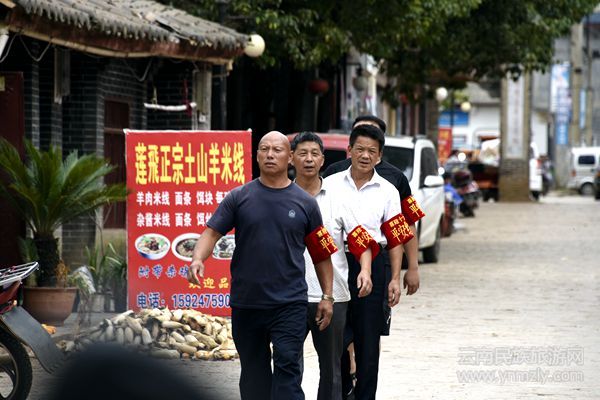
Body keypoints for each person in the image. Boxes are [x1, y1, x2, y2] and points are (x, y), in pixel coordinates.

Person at [188, 131, 336, 400]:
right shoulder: (239, 197)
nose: (270, 155)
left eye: (277, 150)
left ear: (289, 157)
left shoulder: (306, 203)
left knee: (288, 367)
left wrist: (327, 296)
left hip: (289, 303)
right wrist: (198, 258)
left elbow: (321, 254)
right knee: (254, 374)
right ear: (256, 156)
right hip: (247, 302)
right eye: (264, 149)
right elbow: (211, 232)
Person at [323, 116, 425, 398]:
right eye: (360, 148)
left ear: (380, 153)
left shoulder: (393, 184)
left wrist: (400, 274)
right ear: (350, 148)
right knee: (337, 335)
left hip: (375, 262)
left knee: (369, 339)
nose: (365, 155)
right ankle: (341, 389)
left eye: (372, 149)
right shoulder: (330, 180)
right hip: (337, 262)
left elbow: (400, 232)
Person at [291, 132, 373, 400]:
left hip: (332, 296)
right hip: (289, 296)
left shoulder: (338, 198)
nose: (309, 159)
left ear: (322, 160)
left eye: (314, 154)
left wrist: (365, 270)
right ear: (291, 158)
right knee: (288, 364)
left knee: (332, 369)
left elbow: (361, 240)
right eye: (302, 153)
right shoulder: (281, 196)